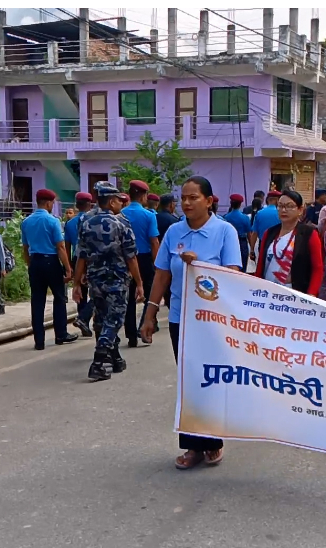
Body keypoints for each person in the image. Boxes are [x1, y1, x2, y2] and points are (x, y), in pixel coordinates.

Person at [139, 176, 241, 470]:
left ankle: (213, 442)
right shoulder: (174, 231)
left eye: (193, 197)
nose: (186, 203)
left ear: (209, 201)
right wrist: (149, 314)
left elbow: (233, 275)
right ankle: (192, 446)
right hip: (180, 319)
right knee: (188, 381)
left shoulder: (224, 231)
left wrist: (199, 265)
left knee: (210, 379)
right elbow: (162, 274)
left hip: (212, 321)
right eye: (183, 197)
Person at [73, 182, 144, 381]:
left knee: (102, 318)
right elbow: (131, 257)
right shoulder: (122, 224)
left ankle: (115, 357)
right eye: (119, 201)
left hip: (95, 280)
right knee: (114, 320)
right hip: (117, 280)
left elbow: (81, 256)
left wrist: (76, 283)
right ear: (111, 202)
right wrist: (139, 282)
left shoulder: (86, 223)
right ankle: (98, 361)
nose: (121, 204)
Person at [21, 188, 79, 350]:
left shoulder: (26, 222)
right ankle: (61, 334)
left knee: (37, 300)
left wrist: (30, 264)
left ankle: (39, 340)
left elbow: (25, 247)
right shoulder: (52, 221)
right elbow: (60, 246)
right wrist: (68, 268)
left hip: (35, 261)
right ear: (48, 203)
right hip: (51, 261)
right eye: (52, 203)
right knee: (59, 297)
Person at [254, 190, 324, 297]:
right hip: (268, 293)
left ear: (300, 210)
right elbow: (260, 266)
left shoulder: (309, 234)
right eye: (280, 206)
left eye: (289, 206)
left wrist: (311, 295)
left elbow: (317, 268)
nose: (284, 210)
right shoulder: (269, 233)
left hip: (296, 295)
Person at [120, 180, 160, 347]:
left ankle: (131, 335)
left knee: (128, 298)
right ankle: (144, 327)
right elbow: (154, 241)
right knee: (150, 297)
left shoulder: (120, 214)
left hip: (125, 259)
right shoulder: (149, 215)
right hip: (144, 259)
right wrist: (157, 263)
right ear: (143, 196)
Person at [65, 192, 95, 337]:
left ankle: (84, 322)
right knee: (98, 291)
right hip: (92, 258)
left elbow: (67, 246)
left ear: (77, 205)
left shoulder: (70, 223)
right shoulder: (93, 220)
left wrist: (69, 265)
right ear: (90, 204)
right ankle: (84, 318)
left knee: (80, 291)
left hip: (76, 258)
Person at [249, 190, 281, 264]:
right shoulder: (280, 213)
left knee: (263, 265)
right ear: (277, 200)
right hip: (278, 245)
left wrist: (252, 249)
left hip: (263, 244)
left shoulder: (259, 213)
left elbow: (254, 233)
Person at [223, 193, 253, 271]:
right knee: (243, 265)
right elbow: (249, 234)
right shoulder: (245, 218)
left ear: (231, 203)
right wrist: (252, 248)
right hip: (242, 243)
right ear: (240, 204)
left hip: (229, 242)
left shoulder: (226, 217)